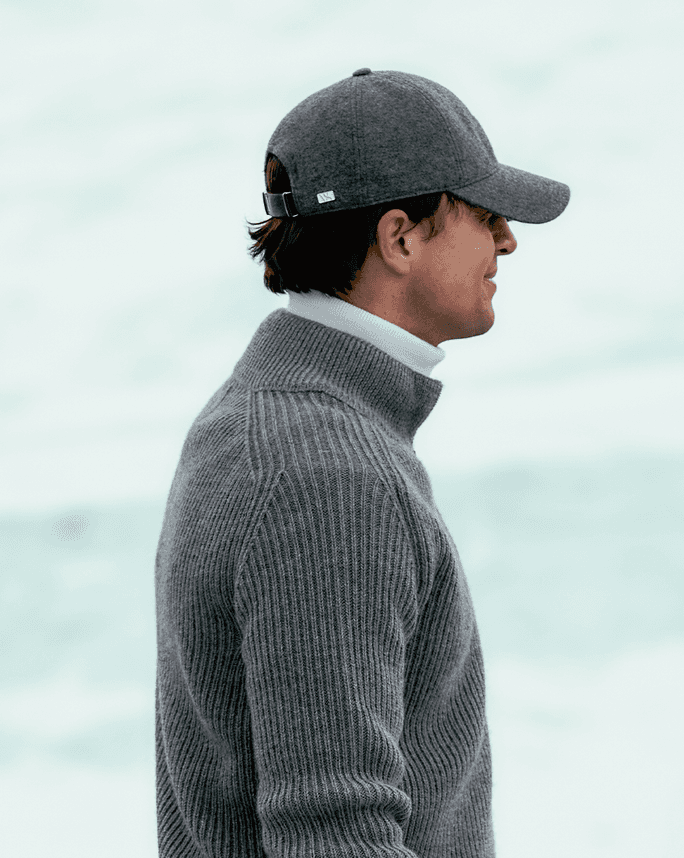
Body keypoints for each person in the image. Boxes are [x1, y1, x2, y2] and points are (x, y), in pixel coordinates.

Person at [154, 68, 570, 858]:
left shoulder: (262, 415)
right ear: (400, 237)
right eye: (485, 215)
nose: (508, 240)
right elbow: (336, 836)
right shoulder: (326, 477)